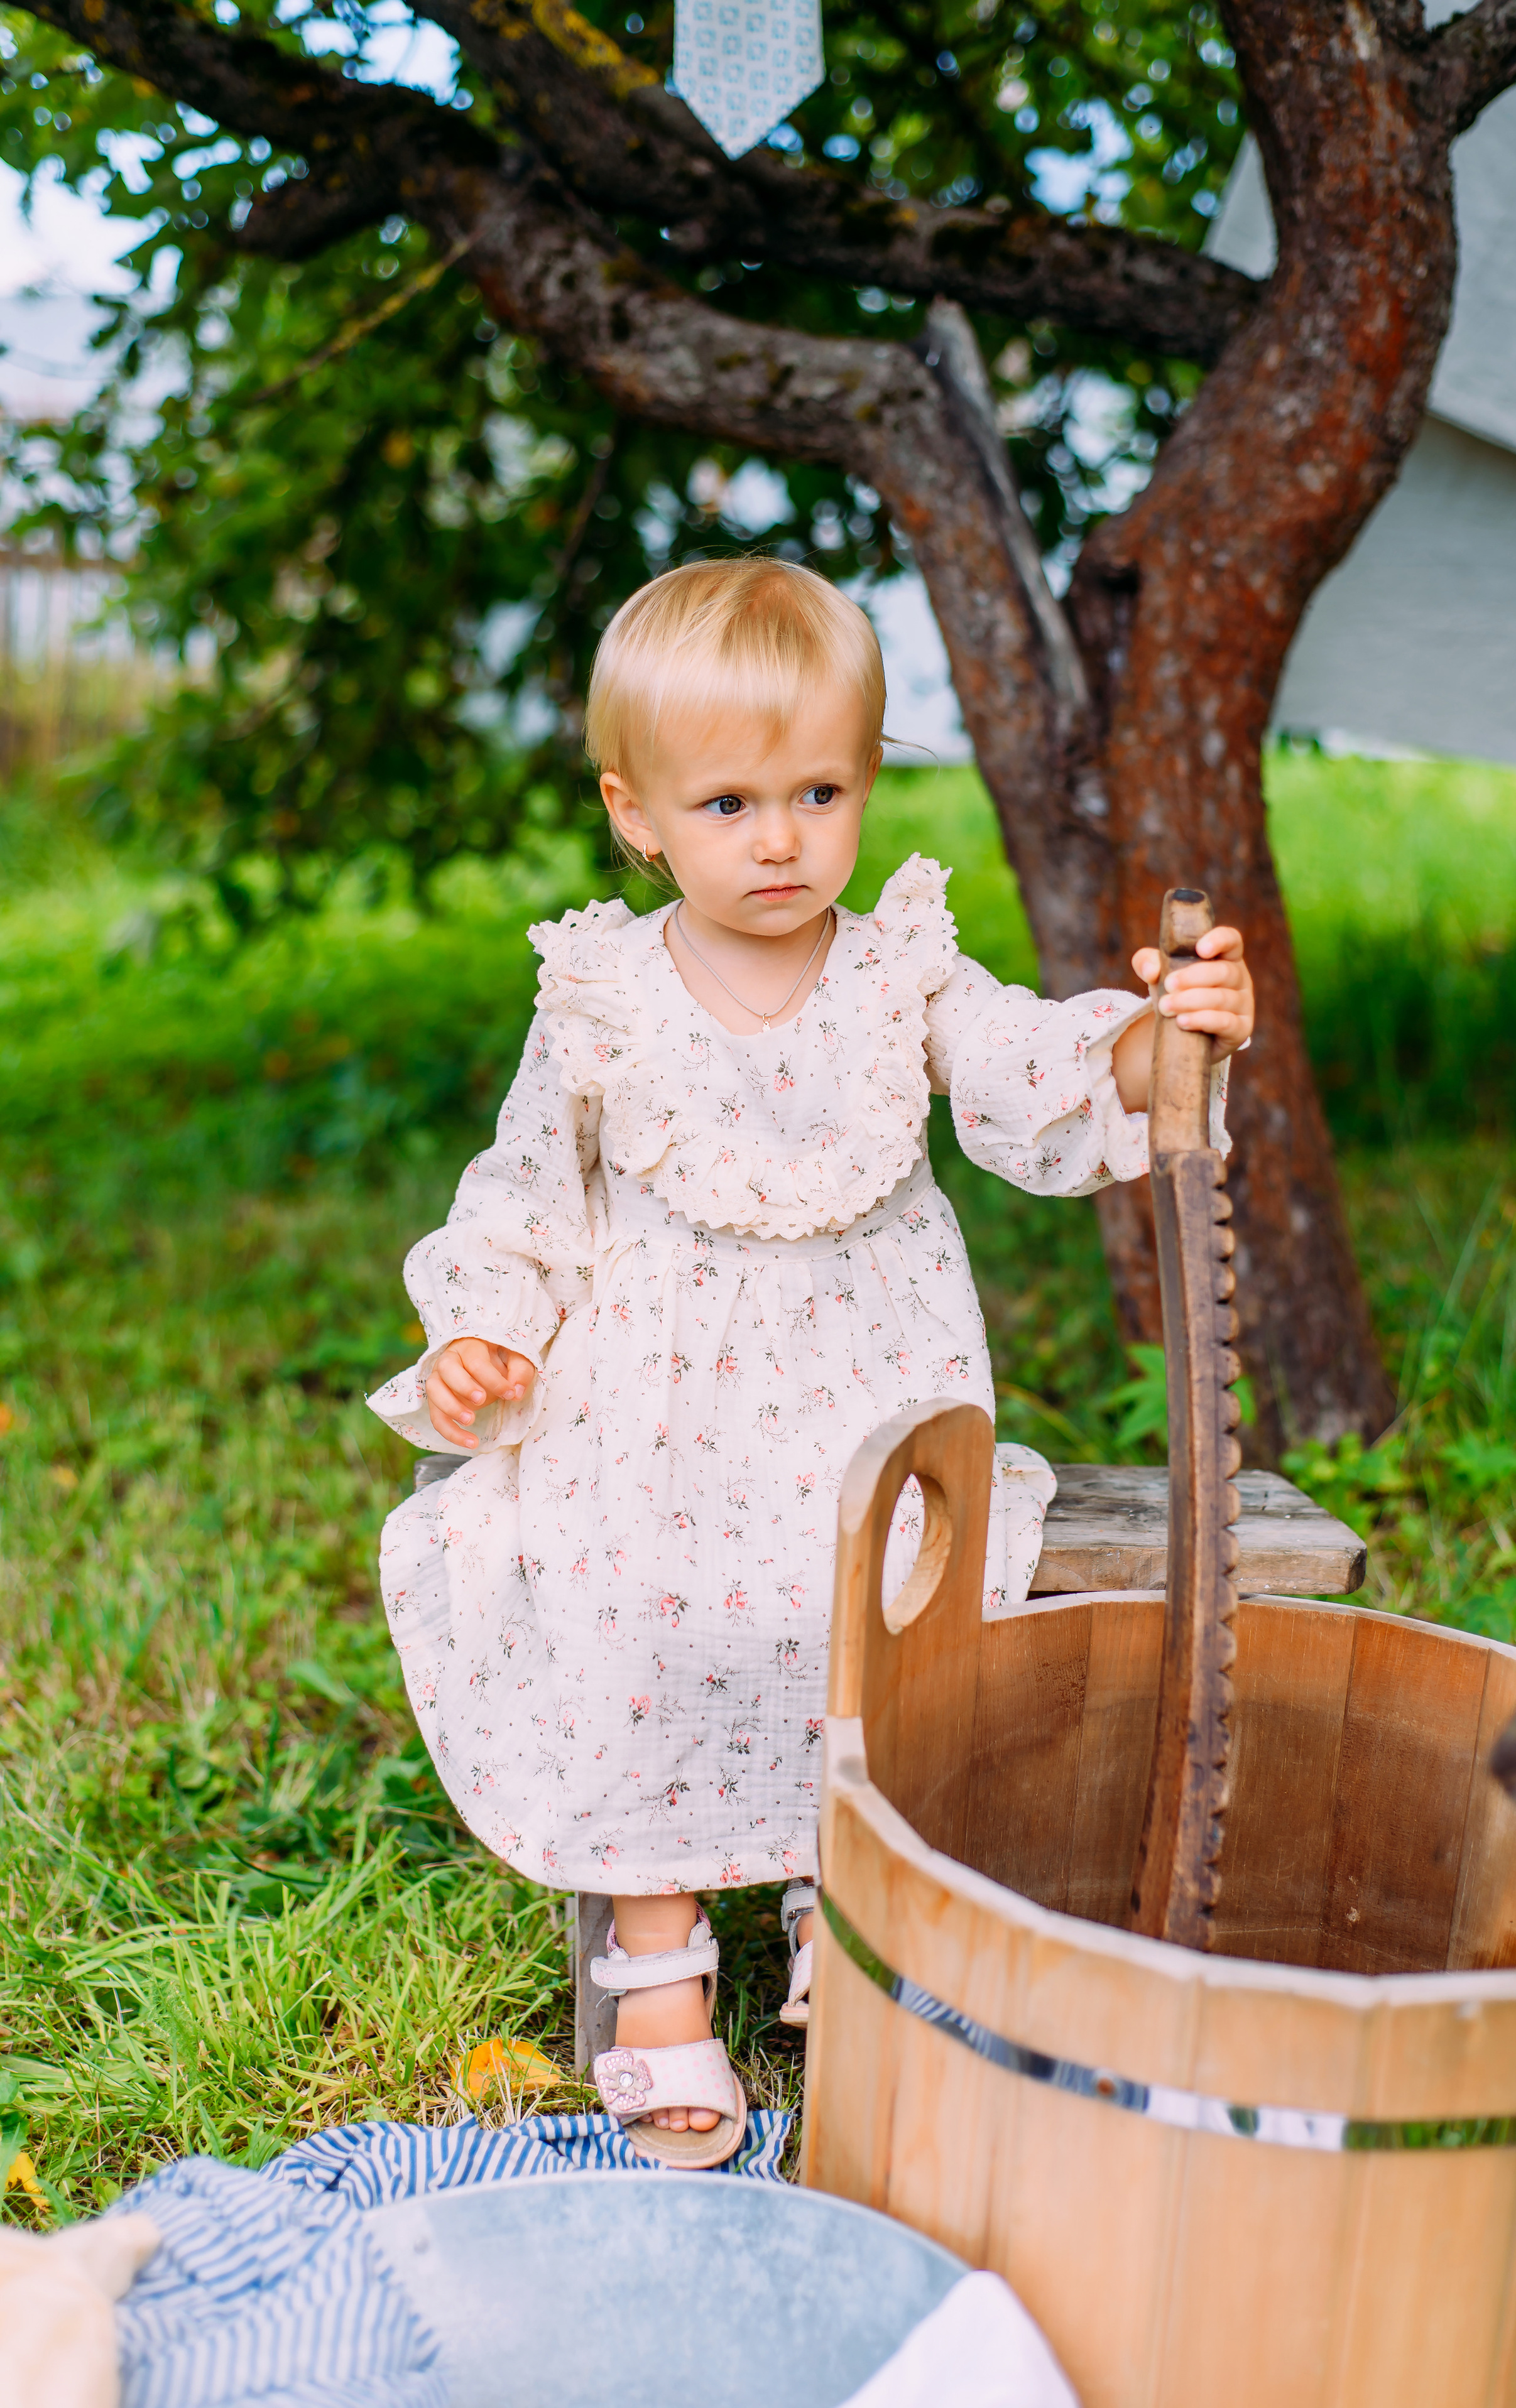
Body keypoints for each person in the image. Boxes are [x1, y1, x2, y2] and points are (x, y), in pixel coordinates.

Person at [368, 558, 1255, 2168]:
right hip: (652, 1410)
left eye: (819, 790)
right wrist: (481, 1333)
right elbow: (525, 1194)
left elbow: (1024, 1075)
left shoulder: (896, 968)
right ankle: (655, 1960)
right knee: (612, 1581)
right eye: (726, 804)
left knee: (870, 1597)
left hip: (861, 1393)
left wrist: (1158, 1037)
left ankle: (839, 1912)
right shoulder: (602, 995)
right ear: (637, 817)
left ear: (863, 780)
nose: (777, 840)